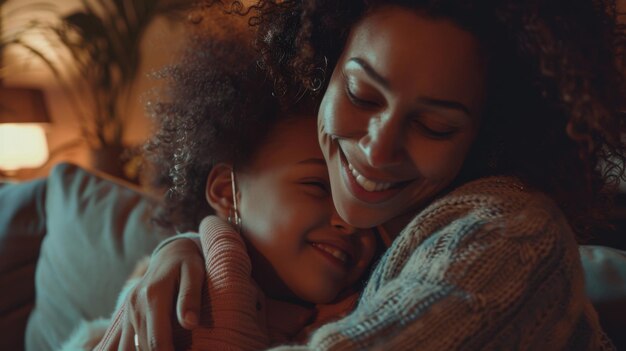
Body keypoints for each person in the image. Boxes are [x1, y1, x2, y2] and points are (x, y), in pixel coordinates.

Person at [104, 0, 625, 349]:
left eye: (433, 125)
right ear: (324, 73)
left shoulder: (513, 236)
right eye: (361, 95)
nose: (378, 149)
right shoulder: (383, 234)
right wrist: (199, 246)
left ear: (487, 136)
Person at [92, 34, 380, 351]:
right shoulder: (172, 294)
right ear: (226, 192)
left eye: (359, 194)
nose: (349, 220)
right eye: (316, 185)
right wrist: (188, 247)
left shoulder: (373, 308)